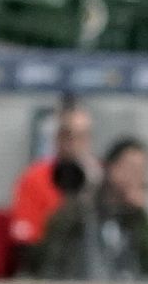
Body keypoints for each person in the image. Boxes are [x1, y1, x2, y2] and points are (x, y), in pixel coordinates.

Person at [33, 137, 148, 282]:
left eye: (142, 170)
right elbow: (49, 252)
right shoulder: (84, 206)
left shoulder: (135, 217)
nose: (136, 176)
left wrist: (139, 214)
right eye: (130, 167)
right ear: (110, 167)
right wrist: (80, 200)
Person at [9, 101, 98, 247]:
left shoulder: (100, 177)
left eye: (82, 136)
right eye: (68, 135)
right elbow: (26, 241)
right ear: (57, 138)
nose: (74, 144)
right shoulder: (34, 178)